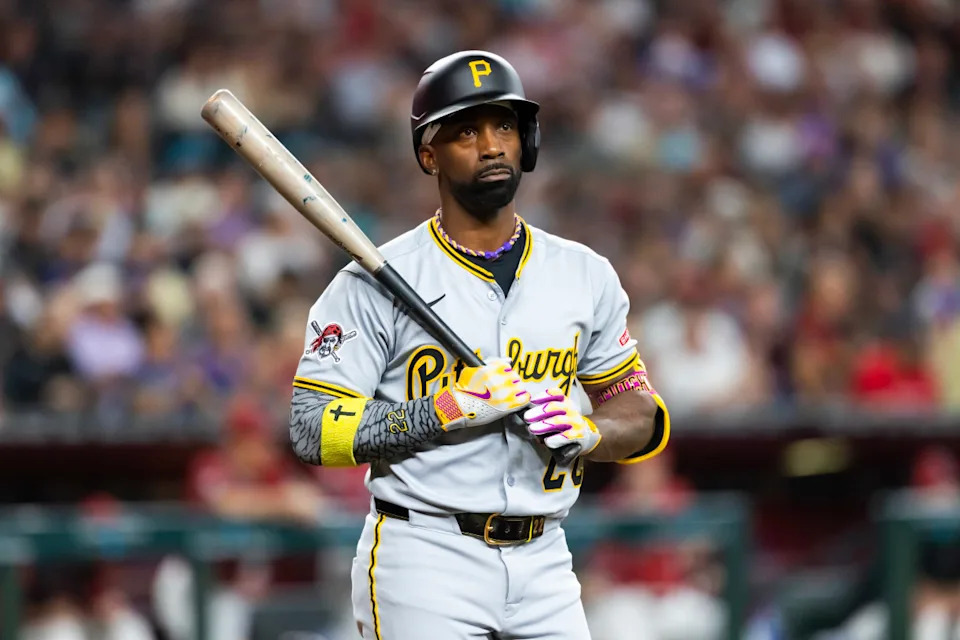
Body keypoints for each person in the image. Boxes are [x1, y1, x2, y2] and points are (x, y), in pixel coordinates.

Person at [288, 50, 669, 639]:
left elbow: (640, 414)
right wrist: (442, 411)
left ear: (528, 142)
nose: (492, 144)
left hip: (547, 559)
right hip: (425, 554)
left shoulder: (584, 273)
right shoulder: (373, 280)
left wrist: (588, 432)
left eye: (505, 126)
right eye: (466, 130)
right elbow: (311, 429)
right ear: (428, 153)